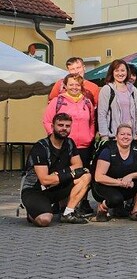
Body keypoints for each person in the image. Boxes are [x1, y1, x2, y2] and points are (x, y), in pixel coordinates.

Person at [21, 113, 92, 226]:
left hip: (56, 187)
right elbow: (44, 180)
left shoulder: (69, 143)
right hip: (35, 190)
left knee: (86, 176)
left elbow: (78, 165)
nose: (64, 128)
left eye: (67, 126)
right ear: (52, 126)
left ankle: (68, 212)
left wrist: (58, 174)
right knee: (45, 220)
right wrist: (71, 173)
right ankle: (32, 213)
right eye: (60, 125)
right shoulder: (41, 147)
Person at [43, 74, 96, 217]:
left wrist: (90, 136)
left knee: (83, 176)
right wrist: (54, 138)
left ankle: (77, 205)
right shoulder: (57, 101)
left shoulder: (87, 102)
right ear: (65, 86)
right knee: (65, 175)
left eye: (77, 85)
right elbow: (47, 121)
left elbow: (92, 121)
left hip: (83, 145)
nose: (74, 87)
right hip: (63, 145)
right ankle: (61, 205)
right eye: (71, 84)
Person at [92, 124, 137, 222]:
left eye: (128, 134)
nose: (125, 137)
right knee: (116, 200)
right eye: (122, 134)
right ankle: (102, 208)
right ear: (116, 137)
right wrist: (120, 182)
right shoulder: (107, 151)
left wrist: (130, 176)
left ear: (132, 137)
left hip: (127, 185)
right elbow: (99, 177)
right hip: (105, 186)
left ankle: (135, 212)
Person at [98, 59, 137, 146]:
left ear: (127, 72)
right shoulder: (107, 89)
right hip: (113, 136)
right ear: (112, 72)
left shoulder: (133, 89)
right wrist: (104, 135)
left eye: (123, 70)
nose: (120, 73)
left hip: (131, 136)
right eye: (117, 70)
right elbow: (102, 114)